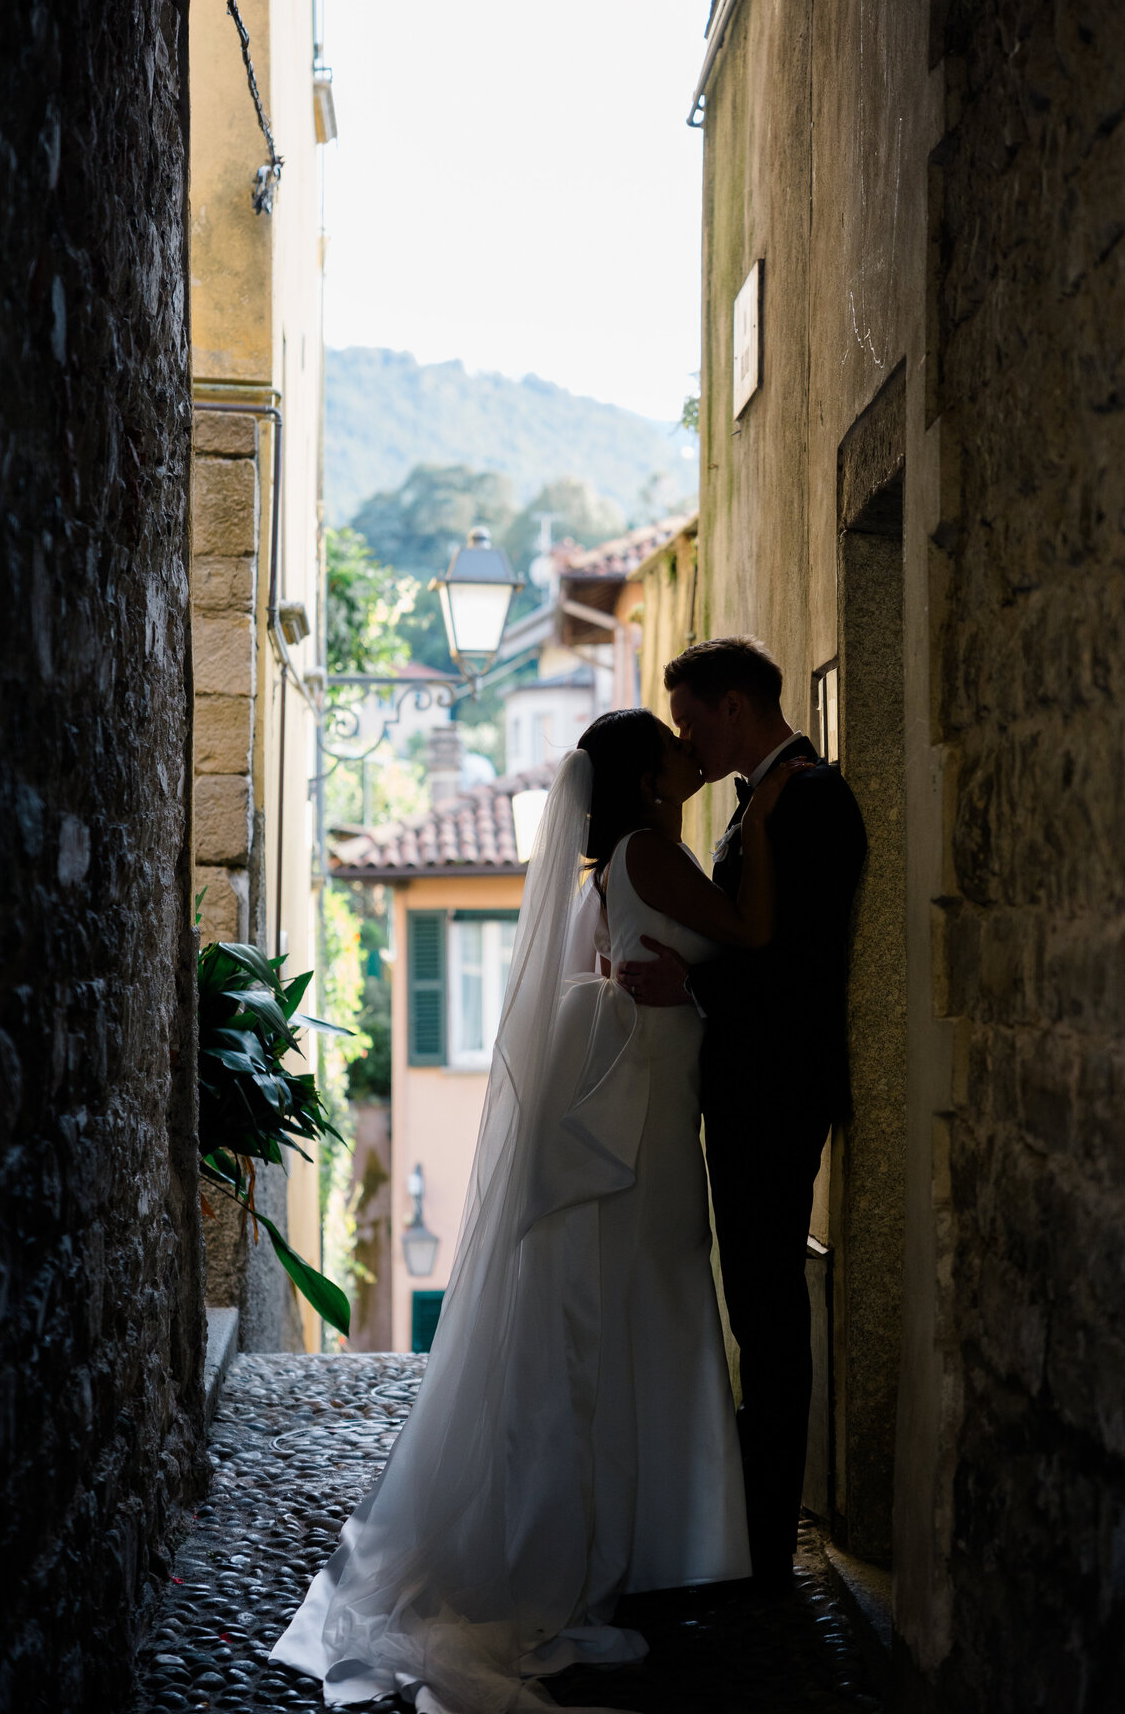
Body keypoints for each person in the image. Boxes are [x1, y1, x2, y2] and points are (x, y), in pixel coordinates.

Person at [270, 708, 803, 1714]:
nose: (692, 754)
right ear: (648, 777)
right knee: (654, 1309)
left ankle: (620, 1539)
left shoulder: (608, 874)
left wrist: (672, 984)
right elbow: (756, 934)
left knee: (627, 1318)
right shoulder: (651, 848)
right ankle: (638, 1544)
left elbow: (620, 981)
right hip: (645, 1128)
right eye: (675, 746)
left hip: (641, 1116)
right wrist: (765, 824)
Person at [616, 637, 866, 1584]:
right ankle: (756, 1528)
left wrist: (693, 982)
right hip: (750, 1086)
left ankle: (765, 1542)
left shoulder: (812, 799)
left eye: (690, 719)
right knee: (757, 1301)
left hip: (777, 1086)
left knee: (768, 1308)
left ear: (732, 707)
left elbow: (791, 965)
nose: (685, 739)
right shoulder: (767, 799)